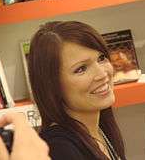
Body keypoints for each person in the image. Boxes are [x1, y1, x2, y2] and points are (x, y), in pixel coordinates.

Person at [28, 21, 126, 160]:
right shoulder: (58, 148)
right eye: (81, 69)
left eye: (101, 58)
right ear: (52, 85)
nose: (102, 74)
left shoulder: (100, 129)